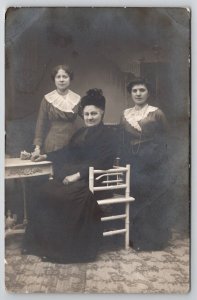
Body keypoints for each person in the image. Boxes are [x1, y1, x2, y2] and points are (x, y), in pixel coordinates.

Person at [22, 88, 117, 263]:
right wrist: (45, 155)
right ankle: (46, 245)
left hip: (96, 181)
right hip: (78, 178)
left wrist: (77, 176)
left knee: (66, 197)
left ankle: (67, 250)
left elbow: (103, 162)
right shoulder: (81, 133)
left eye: (93, 114)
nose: (89, 117)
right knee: (44, 192)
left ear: (102, 113)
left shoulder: (108, 135)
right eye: (86, 114)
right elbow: (67, 152)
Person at [120, 77, 171, 251]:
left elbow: (165, 138)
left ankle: (152, 241)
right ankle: (135, 239)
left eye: (142, 90)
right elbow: (123, 139)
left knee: (150, 199)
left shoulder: (157, 113)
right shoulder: (125, 114)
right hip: (133, 160)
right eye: (135, 91)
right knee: (136, 197)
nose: (138, 93)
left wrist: (159, 160)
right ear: (131, 93)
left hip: (153, 161)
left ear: (148, 93)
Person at [32, 64, 81, 158]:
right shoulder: (47, 99)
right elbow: (40, 124)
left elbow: (86, 120)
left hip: (73, 141)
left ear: (70, 79)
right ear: (54, 79)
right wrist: (37, 148)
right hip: (53, 143)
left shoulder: (77, 98)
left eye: (65, 76)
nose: (61, 80)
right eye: (58, 77)